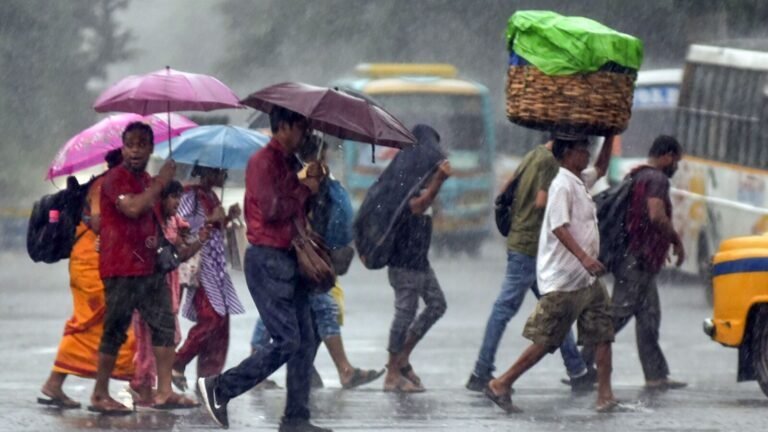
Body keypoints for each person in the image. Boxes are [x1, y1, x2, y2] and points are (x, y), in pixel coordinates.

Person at [198, 107, 332, 432]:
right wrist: (304, 190)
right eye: (300, 128)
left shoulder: (292, 164)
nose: (305, 136)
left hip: (291, 258)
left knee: (307, 338)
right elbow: (273, 209)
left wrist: (316, 184)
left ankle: (296, 417)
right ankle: (220, 388)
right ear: (283, 127)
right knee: (287, 340)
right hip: (268, 259)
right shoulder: (263, 162)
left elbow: (303, 210)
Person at [484, 135, 618, 413]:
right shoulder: (560, 185)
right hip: (565, 280)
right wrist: (585, 259)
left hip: (587, 281)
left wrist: (611, 135)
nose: (588, 155)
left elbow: (602, 167)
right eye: (584, 150)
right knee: (546, 340)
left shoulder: (580, 181)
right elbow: (558, 226)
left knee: (603, 332)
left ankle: (605, 395)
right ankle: (501, 382)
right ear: (568, 153)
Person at [250, 135, 383, 390]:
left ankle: (266, 364)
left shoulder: (322, 186)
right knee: (317, 308)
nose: (324, 162)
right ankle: (343, 370)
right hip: (290, 257)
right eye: (320, 157)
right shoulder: (288, 180)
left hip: (304, 258)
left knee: (284, 309)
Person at [89, 122, 196, 414]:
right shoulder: (115, 179)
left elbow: (158, 213)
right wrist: (161, 183)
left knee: (163, 326)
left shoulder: (148, 180)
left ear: (151, 148)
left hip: (149, 267)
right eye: (130, 144)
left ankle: (164, 392)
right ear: (123, 148)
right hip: (121, 268)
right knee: (115, 329)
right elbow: (133, 208)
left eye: (141, 144)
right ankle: (100, 394)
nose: (135, 150)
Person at [580, 135, 686, 390]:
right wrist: (676, 239)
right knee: (617, 315)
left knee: (649, 317)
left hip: (637, 259)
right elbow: (656, 214)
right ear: (666, 156)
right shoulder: (657, 179)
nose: (676, 166)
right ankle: (580, 367)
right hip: (636, 260)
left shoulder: (637, 174)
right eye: (675, 160)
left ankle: (656, 375)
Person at [38, 149, 136, 409]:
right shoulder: (104, 184)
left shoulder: (113, 184)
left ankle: (56, 384)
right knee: (93, 323)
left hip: (99, 262)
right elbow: (97, 222)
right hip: (90, 264)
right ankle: (114, 389)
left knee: (95, 324)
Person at [382, 125, 451, 393]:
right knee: (404, 314)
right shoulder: (404, 175)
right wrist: (438, 182)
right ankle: (392, 373)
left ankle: (402, 358)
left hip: (419, 259)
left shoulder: (419, 175)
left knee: (436, 304)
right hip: (403, 260)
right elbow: (417, 206)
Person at [131, 180, 209, 406]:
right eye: (172, 197)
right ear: (160, 199)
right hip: (149, 286)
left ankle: (155, 387)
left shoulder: (174, 223)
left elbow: (178, 257)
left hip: (167, 287)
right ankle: (144, 385)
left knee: (168, 336)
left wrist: (199, 239)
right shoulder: (153, 222)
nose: (177, 202)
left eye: (178, 197)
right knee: (148, 338)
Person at [171, 166, 245, 392]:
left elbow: (215, 228)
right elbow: (180, 226)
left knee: (221, 326)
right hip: (201, 268)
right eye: (221, 171)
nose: (225, 176)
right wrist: (211, 218)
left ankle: (209, 380)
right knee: (211, 319)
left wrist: (227, 217)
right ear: (208, 172)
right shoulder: (191, 196)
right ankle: (179, 360)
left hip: (216, 267)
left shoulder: (211, 195)